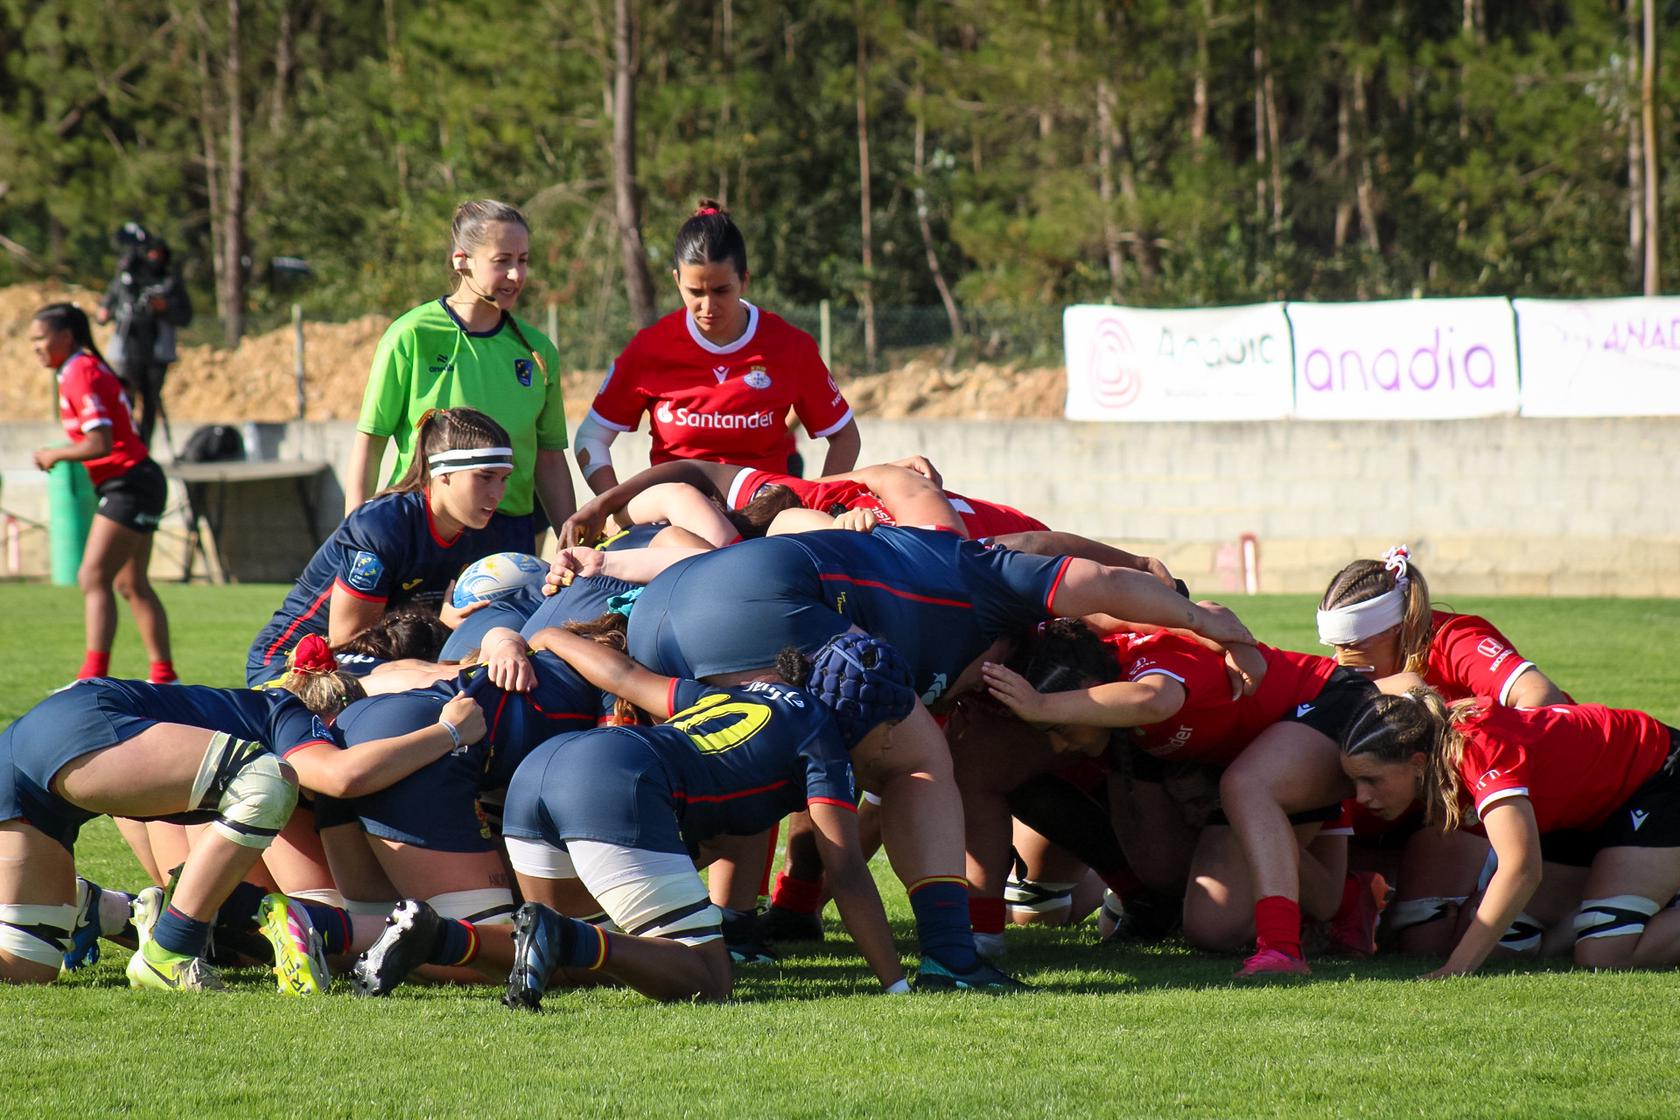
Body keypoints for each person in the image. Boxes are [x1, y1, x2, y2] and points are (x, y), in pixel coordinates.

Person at [493, 628, 916, 1005]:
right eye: (891, 727)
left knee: (572, 972)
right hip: (614, 782)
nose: (891, 744)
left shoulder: (740, 692)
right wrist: (896, 983)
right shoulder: (825, 743)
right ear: (858, 720)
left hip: (540, 769)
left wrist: (549, 635)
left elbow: (623, 676)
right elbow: (846, 870)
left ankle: (440, 939)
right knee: (709, 978)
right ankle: (562, 936)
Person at [0, 674, 478, 991]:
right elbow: (339, 775)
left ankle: (91, 908)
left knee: (23, 967)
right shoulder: (283, 710)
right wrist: (449, 732)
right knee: (268, 780)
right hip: (76, 729)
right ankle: (168, 952)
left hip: (30, 751)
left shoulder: (209, 717)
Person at [978, 618, 1378, 975]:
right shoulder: (1106, 696)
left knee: (1244, 786)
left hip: (1328, 707)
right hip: (1251, 757)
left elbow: (1157, 697)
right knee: (1210, 927)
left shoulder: (1146, 660)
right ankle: (1343, 896)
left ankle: (1282, 948)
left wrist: (1041, 705)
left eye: (1060, 729)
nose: (1061, 744)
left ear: (1089, 690)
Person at [1340, 685, 1680, 976]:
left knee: (1604, 955)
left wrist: (1456, 969)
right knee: (1510, 943)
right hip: (1586, 811)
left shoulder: (1479, 751)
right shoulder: (1440, 745)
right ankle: (1649, 896)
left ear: (1416, 762)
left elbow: (1520, 868)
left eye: (1371, 779)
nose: (1362, 796)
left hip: (1659, 778)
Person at [574, 200, 860, 494]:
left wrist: (821, 499)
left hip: (765, 522)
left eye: (722, 290)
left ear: (744, 281)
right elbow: (590, 439)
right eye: (695, 291)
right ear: (677, 280)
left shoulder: (790, 346)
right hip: (677, 524)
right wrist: (616, 508)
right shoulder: (650, 348)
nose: (708, 306)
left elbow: (845, 436)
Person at [247, 408, 530, 686]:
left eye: (503, 479)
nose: (497, 493)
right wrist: (439, 624)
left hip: (386, 660)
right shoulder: (382, 527)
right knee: (440, 681)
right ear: (442, 473)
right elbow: (348, 639)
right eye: (484, 477)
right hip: (292, 663)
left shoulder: (485, 532)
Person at [345, 199, 575, 536]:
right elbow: (371, 441)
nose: (516, 274)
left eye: (523, 260)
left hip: (508, 529)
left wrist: (574, 542)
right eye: (502, 261)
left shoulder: (538, 350)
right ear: (461, 261)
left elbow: (550, 458)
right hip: (420, 525)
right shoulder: (411, 335)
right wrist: (351, 535)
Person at [28, 303, 175, 685]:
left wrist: (54, 453)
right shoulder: (81, 368)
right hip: (137, 480)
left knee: (93, 576)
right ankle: (165, 678)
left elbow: (101, 441)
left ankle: (92, 678)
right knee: (130, 583)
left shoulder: (79, 370)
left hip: (130, 482)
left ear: (65, 337)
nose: (35, 347)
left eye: (40, 338)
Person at [1317, 546, 1569, 706]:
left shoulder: (1454, 641)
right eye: (1336, 646)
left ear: (1395, 627)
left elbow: (1541, 695)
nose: (1343, 660)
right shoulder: (1361, 661)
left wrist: (1471, 738)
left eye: (1354, 644)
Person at [97, 223, 191, 449]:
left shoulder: (169, 282)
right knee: (125, 398)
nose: (152, 258)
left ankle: (142, 446)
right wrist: (105, 312)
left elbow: (185, 316)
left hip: (157, 350)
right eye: (149, 253)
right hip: (128, 347)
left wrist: (164, 308)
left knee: (150, 400)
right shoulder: (127, 280)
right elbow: (105, 309)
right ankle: (124, 442)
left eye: (157, 254)